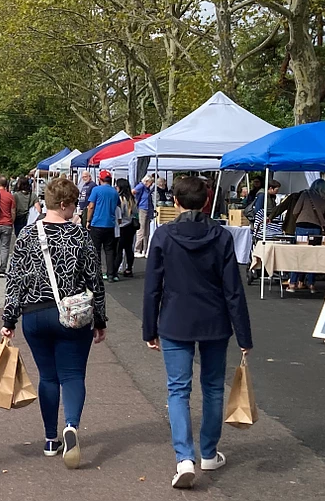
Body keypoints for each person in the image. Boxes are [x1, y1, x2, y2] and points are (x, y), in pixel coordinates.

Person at [143, 176, 253, 490]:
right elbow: (233, 290)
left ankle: (184, 457)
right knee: (213, 388)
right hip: (214, 320)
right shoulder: (221, 236)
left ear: (175, 202)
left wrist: (149, 328)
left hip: (176, 319)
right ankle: (208, 451)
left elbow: (153, 288)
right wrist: (244, 335)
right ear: (206, 201)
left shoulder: (163, 235)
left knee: (178, 390)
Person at [2, 178, 106, 469]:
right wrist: (100, 319)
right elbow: (94, 279)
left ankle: (50, 439)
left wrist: (9, 318)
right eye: (74, 204)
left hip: (34, 315)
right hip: (71, 315)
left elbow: (15, 280)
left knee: (47, 377)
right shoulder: (79, 235)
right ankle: (70, 426)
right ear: (64, 204)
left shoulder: (26, 235)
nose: (76, 209)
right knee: (72, 375)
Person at [287, 179, 325, 294]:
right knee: (313, 257)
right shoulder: (324, 200)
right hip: (315, 229)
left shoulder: (305, 195)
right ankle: (311, 284)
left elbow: (295, 211)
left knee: (298, 256)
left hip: (301, 227)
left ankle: (292, 284)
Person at [86, 170, 120, 281]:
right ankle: (110, 274)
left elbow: (91, 206)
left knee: (96, 249)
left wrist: (88, 220)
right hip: (110, 223)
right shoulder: (115, 192)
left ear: (100, 179)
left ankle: (97, 272)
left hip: (97, 222)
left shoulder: (96, 190)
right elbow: (117, 206)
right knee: (109, 250)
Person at [113, 178, 138, 278]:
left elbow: (119, 214)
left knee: (119, 249)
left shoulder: (120, 199)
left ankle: (114, 271)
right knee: (129, 248)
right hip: (131, 225)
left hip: (122, 226)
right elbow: (135, 212)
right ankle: (129, 269)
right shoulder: (131, 199)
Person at [133, 175, 154, 257]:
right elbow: (133, 191)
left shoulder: (147, 188)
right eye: (150, 183)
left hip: (147, 209)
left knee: (147, 231)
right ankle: (137, 249)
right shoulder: (141, 186)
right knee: (141, 230)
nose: (151, 185)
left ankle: (145, 250)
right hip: (142, 209)